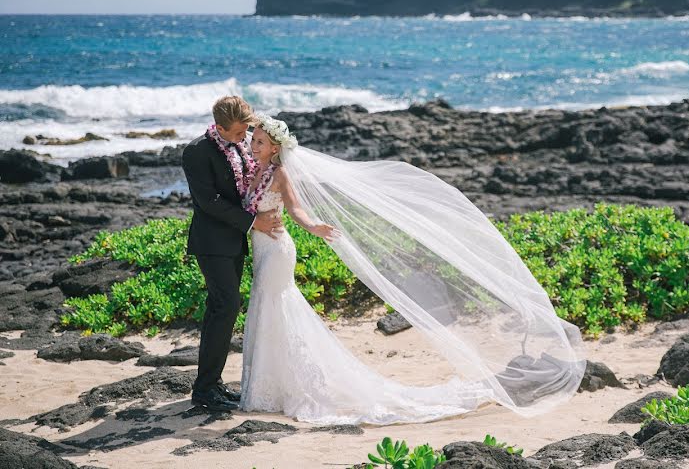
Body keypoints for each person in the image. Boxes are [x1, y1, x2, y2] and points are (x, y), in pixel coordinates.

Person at [237, 112, 586, 425]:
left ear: (276, 148)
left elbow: (296, 210)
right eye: (254, 140)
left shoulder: (280, 174)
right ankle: (268, 386)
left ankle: (281, 387)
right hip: (262, 248)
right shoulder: (254, 170)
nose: (254, 145)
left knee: (278, 308)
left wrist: (314, 226)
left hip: (279, 250)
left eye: (261, 142)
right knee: (266, 308)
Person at [181, 95, 284, 412]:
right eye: (241, 133)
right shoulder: (196, 152)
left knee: (221, 308)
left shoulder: (239, 147)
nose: (246, 139)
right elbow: (208, 201)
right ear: (221, 128)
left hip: (235, 242)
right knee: (226, 305)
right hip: (211, 243)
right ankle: (205, 389)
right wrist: (254, 222)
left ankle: (211, 384)